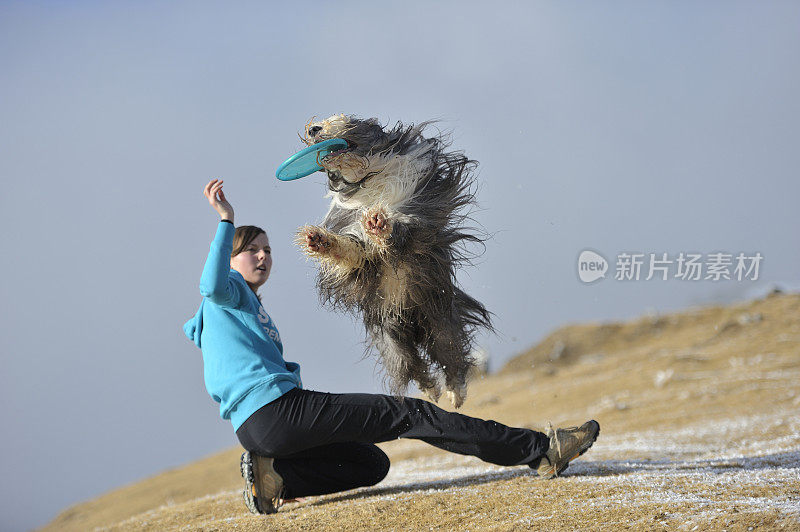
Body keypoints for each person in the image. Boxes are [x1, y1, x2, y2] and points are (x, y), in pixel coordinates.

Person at [183, 179, 600, 515]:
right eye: (250, 250)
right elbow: (211, 283)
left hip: (260, 430)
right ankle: (541, 450)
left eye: (268, 250)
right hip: (276, 412)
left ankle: (274, 476)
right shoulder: (227, 293)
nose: (263, 256)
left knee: (371, 463)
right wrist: (226, 221)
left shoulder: (243, 307)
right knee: (410, 413)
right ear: (230, 258)